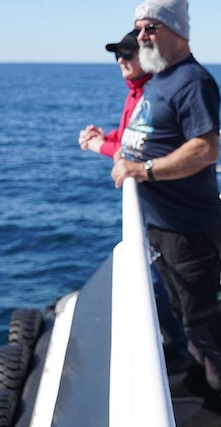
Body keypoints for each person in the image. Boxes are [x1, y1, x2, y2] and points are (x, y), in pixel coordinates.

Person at [110, 0, 221, 427]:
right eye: (138, 28)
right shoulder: (159, 78)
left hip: (189, 226)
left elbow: (205, 148)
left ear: (176, 30)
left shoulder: (193, 81)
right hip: (162, 222)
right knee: (182, 310)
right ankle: (201, 382)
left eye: (149, 27)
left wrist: (143, 170)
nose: (141, 36)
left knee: (202, 315)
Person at [77, 30, 192, 377]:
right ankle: (178, 350)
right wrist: (106, 136)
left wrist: (100, 147)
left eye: (129, 53)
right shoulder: (139, 93)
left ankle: (182, 356)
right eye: (118, 55)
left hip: (168, 210)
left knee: (162, 283)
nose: (122, 60)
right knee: (159, 280)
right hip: (155, 207)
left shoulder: (150, 92)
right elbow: (129, 136)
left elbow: (138, 150)